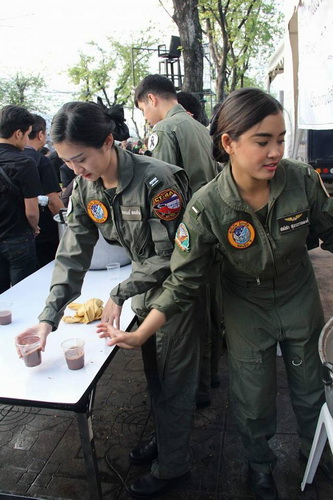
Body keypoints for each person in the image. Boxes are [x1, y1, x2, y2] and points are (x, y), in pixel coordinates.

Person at [99, 87, 333, 499]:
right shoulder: (206, 208)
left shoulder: (300, 179)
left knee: (312, 383)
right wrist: (141, 333)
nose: (276, 151)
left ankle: (320, 455)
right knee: (253, 391)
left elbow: (329, 230)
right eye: (263, 141)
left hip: (299, 295)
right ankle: (259, 466)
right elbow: (183, 281)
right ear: (229, 142)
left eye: (280, 138)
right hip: (246, 304)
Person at [15, 101, 200, 499]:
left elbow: (173, 256)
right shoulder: (86, 187)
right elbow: (71, 254)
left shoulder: (158, 181)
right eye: (67, 163)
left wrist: (120, 291)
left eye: (81, 159)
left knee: (173, 383)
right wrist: (48, 318)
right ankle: (167, 438)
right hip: (142, 290)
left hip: (177, 294)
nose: (75, 171)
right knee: (156, 378)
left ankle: (173, 466)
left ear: (108, 141)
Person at [135, 74, 222, 407]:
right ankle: (211, 376)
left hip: (188, 239)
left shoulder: (165, 131)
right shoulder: (199, 127)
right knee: (211, 309)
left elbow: (166, 198)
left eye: (143, 108)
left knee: (188, 316)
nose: (145, 115)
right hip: (211, 231)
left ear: (152, 99)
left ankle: (195, 391)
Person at [0, 105, 42, 293]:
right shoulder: (24, 162)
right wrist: (34, 228)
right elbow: (31, 211)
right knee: (23, 293)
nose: (27, 141)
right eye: (27, 134)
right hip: (18, 238)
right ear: (18, 133)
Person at [24, 114, 64, 267]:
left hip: (15, 232)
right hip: (44, 231)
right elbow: (53, 201)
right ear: (40, 134)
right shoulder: (41, 160)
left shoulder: (8, 158)